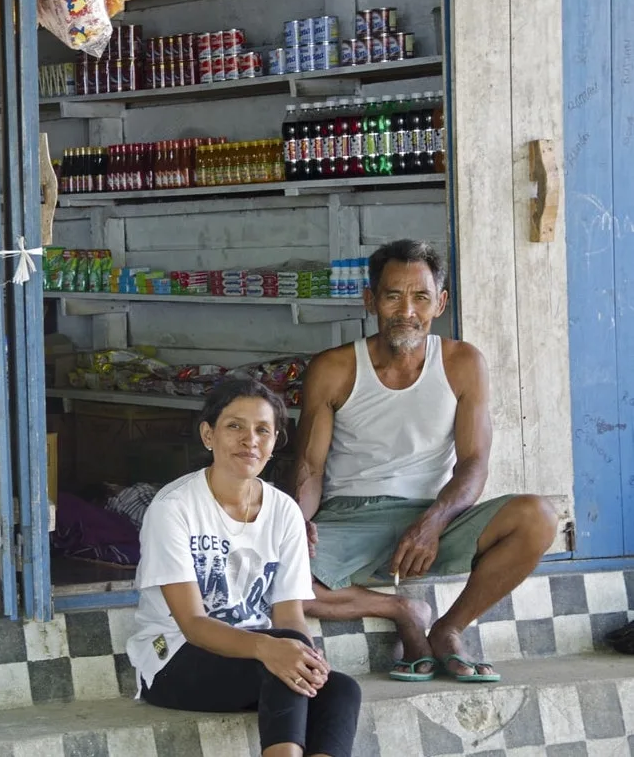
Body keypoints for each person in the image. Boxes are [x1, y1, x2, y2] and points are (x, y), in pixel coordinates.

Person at [294, 239, 558, 683]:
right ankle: (402, 610)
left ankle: (449, 627)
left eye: (420, 297)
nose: (407, 311)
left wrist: (434, 521)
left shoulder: (462, 362)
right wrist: (295, 525)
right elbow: (309, 468)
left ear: (441, 302)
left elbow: (474, 463)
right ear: (370, 300)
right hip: (350, 516)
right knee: (271, 576)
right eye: (393, 296)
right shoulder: (334, 368)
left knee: (538, 517)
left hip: (435, 517)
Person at [127, 378, 361, 757]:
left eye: (262, 430)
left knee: (339, 688)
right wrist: (271, 650)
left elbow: (290, 615)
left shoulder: (284, 510)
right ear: (208, 434)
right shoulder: (174, 508)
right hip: (175, 658)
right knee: (279, 662)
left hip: (253, 654)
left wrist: (306, 659)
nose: (249, 439)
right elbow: (192, 623)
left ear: (273, 443)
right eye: (234, 425)